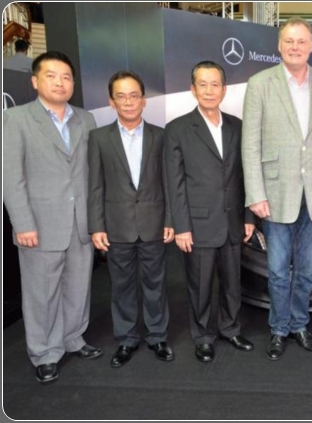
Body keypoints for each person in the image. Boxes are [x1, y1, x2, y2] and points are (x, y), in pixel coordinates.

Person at [242, 17, 312, 361]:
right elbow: (250, 143)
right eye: (289, 41)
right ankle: (278, 328)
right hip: (275, 194)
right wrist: (255, 193)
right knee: (276, 270)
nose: (295, 47)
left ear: (311, 46)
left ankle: (300, 324)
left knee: (306, 270)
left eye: (301, 41)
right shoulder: (260, 84)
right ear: (279, 45)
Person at [3, 51, 101, 384]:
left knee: (78, 286)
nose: (60, 82)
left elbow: (91, 173)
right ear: (35, 81)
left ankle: (73, 338)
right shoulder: (16, 119)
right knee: (41, 292)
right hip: (40, 225)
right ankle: (45, 352)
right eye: (51, 76)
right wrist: (22, 223)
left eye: (66, 77)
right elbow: (11, 177)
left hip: (80, 222)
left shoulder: (86, 119)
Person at [164, 61, 255, 363]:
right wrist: (181, 226)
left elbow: (246, 175)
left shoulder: (237, 126)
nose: (209, 90)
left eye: (215, 84)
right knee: (200, 286)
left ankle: (231, 328)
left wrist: (249, 217)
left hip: (233, 221)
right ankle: (203, 336)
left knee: (233, 284)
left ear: (224, 90)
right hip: (198, 223)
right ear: (193, 89)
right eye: (202, 84)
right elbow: (174, 182)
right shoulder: (177, 129)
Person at [87, 70, 175, 368]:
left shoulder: (161, 136)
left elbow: (169, 182)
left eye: (134, 95)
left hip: (154, 223)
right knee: (121, 286)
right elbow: (95, 185)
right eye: (121, 96)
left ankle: (157, 336)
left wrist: (170, 219)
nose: (128, 102)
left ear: (144, 100)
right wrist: (96, 226)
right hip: (117, 226)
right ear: (111, 102)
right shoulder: (98, 138)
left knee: (156, 284)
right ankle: (126, 339)